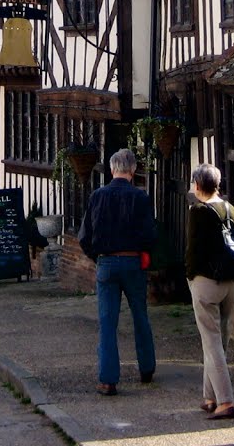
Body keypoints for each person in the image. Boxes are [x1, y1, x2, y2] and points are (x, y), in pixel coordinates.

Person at [78, 148, 157, 396]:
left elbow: (84, 237)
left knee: (107, 322)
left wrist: (97, 257)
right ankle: (146, 368)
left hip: (107, 263)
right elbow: (150, 236)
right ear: (133, 170)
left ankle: (108, 379)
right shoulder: (141, 198)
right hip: (133, 263)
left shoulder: (98, 196)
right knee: (140, 316)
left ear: (112, 169)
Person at [185, 162, 234, 420]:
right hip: (233, 282)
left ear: (198, 186)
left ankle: (225, 402)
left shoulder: (199, 211)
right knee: (220, 341)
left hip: (207, 281)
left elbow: (193, 251)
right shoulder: (230, 209)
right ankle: (210, 397)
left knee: (211, 342)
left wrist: (189, 276)